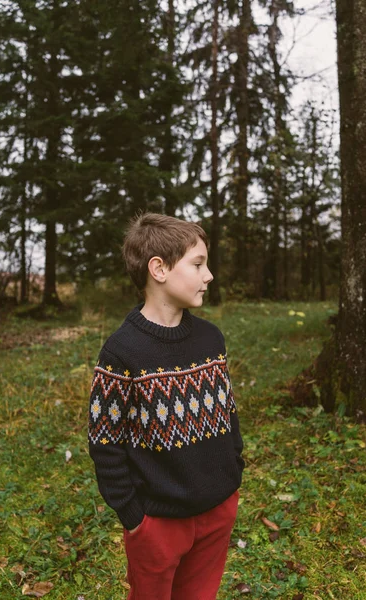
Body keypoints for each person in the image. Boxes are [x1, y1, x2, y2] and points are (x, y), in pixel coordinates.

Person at [88, 213, 245, 600]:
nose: (209, 275)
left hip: (218, 508)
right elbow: (105, 443)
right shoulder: (122, 352)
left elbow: (228, 413)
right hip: (157, 523)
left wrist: (233, 473)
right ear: (158, 269)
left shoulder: (211, 339)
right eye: (198, 264)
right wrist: (134, 517)